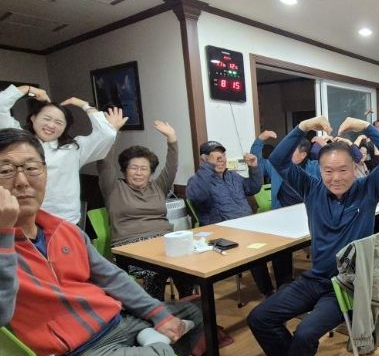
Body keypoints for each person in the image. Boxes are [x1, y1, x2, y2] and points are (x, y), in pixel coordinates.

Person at [0, 128, 202, 356]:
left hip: (115, 325)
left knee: (196, 312)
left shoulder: (64, 230)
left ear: (44, 173)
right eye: (6, 170)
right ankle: (151, 353)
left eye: (31, 168)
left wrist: (158, 314)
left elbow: (112, 277)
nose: (21, 181)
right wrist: (4, 235)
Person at [246, 116, 379, 356]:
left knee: (305, 333)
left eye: (343, 170)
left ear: (355, 168)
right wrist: (302, 129)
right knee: (260, 317)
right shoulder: (311, 189)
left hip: (346, 284)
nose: (336, 177)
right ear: (319, 170)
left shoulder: (367, 189)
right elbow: (278, 160)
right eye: (328, 171)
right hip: (315, 279)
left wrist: (367, 128)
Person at [0, 84, 126, 225]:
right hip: (24, 220)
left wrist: (84, 105)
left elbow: (107, 134)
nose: (51, 125)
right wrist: (29, 89)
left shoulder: (74, 149)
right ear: (33, 118)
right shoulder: (18, 140)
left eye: (59, 122)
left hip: (66, 221)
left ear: (65, 127)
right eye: (47, 118)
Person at [97, 120, 193, 300]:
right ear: (124, 170)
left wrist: (172, 138)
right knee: (155, 272)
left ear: (151, 172)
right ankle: (156, 312)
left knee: (188, 268)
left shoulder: (158, 186)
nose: (139, 172)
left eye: (144, 169)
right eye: (133, 168)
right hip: (129, 248)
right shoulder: (113, 188)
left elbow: (171, 166)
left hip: (163, 244)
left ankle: (190, 308)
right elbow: (105, 163)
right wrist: (112, 132)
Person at [186, 140, 269, 294]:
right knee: (255, 253)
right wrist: (208, 168)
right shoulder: (197, 181)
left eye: (222, 156)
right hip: (222, 233)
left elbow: (253, 188)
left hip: (246, 228)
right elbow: (197, 196)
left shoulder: (233, 176)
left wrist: (254, 167)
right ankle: (268, 293)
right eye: (215, 157)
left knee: (274, 245)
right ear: (204, 159)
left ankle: (281, 287)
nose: (221, 160)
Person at [251, 130, 320, 294]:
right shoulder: (276, 166)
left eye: (291, 150)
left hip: (307, 216)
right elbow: (257, 161)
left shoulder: (313, 167)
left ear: (303, 155)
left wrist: (324, 145)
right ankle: (283, 285)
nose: (285, 153)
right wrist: (259, 140)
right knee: (278, 248)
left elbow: (330, 165)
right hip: (281, 216)